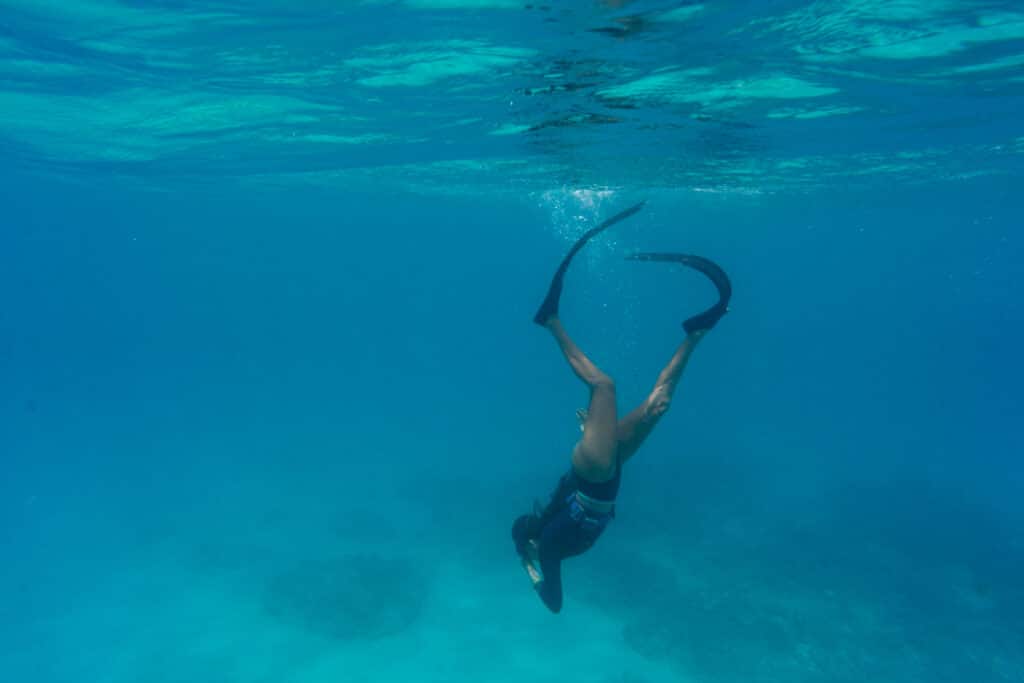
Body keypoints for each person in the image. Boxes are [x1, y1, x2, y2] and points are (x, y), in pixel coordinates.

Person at [512, 203, 731, 613]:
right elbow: (554, 602)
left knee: (603, 384)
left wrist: (529, 560)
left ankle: (550, 321)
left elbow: (565, 496)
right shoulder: (550, 553)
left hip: (594, 473)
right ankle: (696, 333)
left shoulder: (550, 544)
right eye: (530, 524)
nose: (534, 521)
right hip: (605, 476)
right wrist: (530, 564)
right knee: (656, 407)